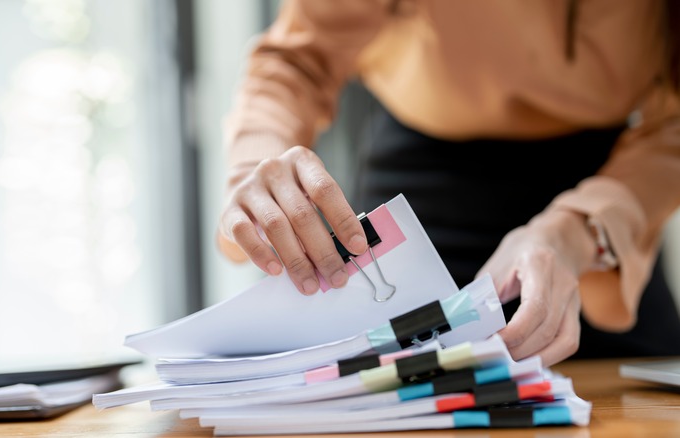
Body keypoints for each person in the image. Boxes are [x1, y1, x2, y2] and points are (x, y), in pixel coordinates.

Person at [215, 0, 680, 366]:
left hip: (607, 200)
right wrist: (256, 164)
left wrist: (582, 232)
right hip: (417, 195)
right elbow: (298, 58)